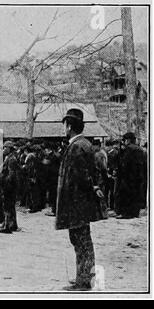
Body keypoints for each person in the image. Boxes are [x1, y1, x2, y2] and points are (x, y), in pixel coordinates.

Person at [56, 108, 104, 291]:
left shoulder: (76, 146)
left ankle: (84, 281)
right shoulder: (84, 144)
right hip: (81, 202)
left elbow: (80, 177)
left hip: (76, 203)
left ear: (69, 126)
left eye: (65, 125)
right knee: (83, 240)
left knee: (80, 241)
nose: (64, 129)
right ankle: (85, 277)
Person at [115, 132, 145, 219]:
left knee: (126, 195)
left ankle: (126, 213)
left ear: (127, 140)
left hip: (128, 177)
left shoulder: (128, 149)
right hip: (138, 176)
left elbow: (124, 164)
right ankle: (135, 212)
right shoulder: (140, 150)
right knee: (136, 194)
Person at [0, 141, 20, 234]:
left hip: (9, 186)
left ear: (9, 148)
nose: (3, 149)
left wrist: (5, 183)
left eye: (5, 148)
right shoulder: (9, 157)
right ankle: (12, 225)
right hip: (10, 185)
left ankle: (7, 226)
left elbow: (11, 174)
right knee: (10, 206)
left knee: (7, 206)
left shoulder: (11, 159)